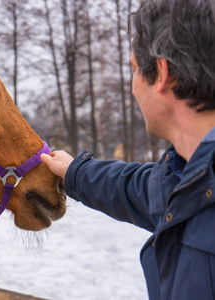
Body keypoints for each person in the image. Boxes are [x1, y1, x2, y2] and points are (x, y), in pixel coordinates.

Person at [40, 0, 215, 299]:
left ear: (162, 73)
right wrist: (74, 171)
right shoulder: (184, 175)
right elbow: (132, 187)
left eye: (134, 69)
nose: (133, 87)